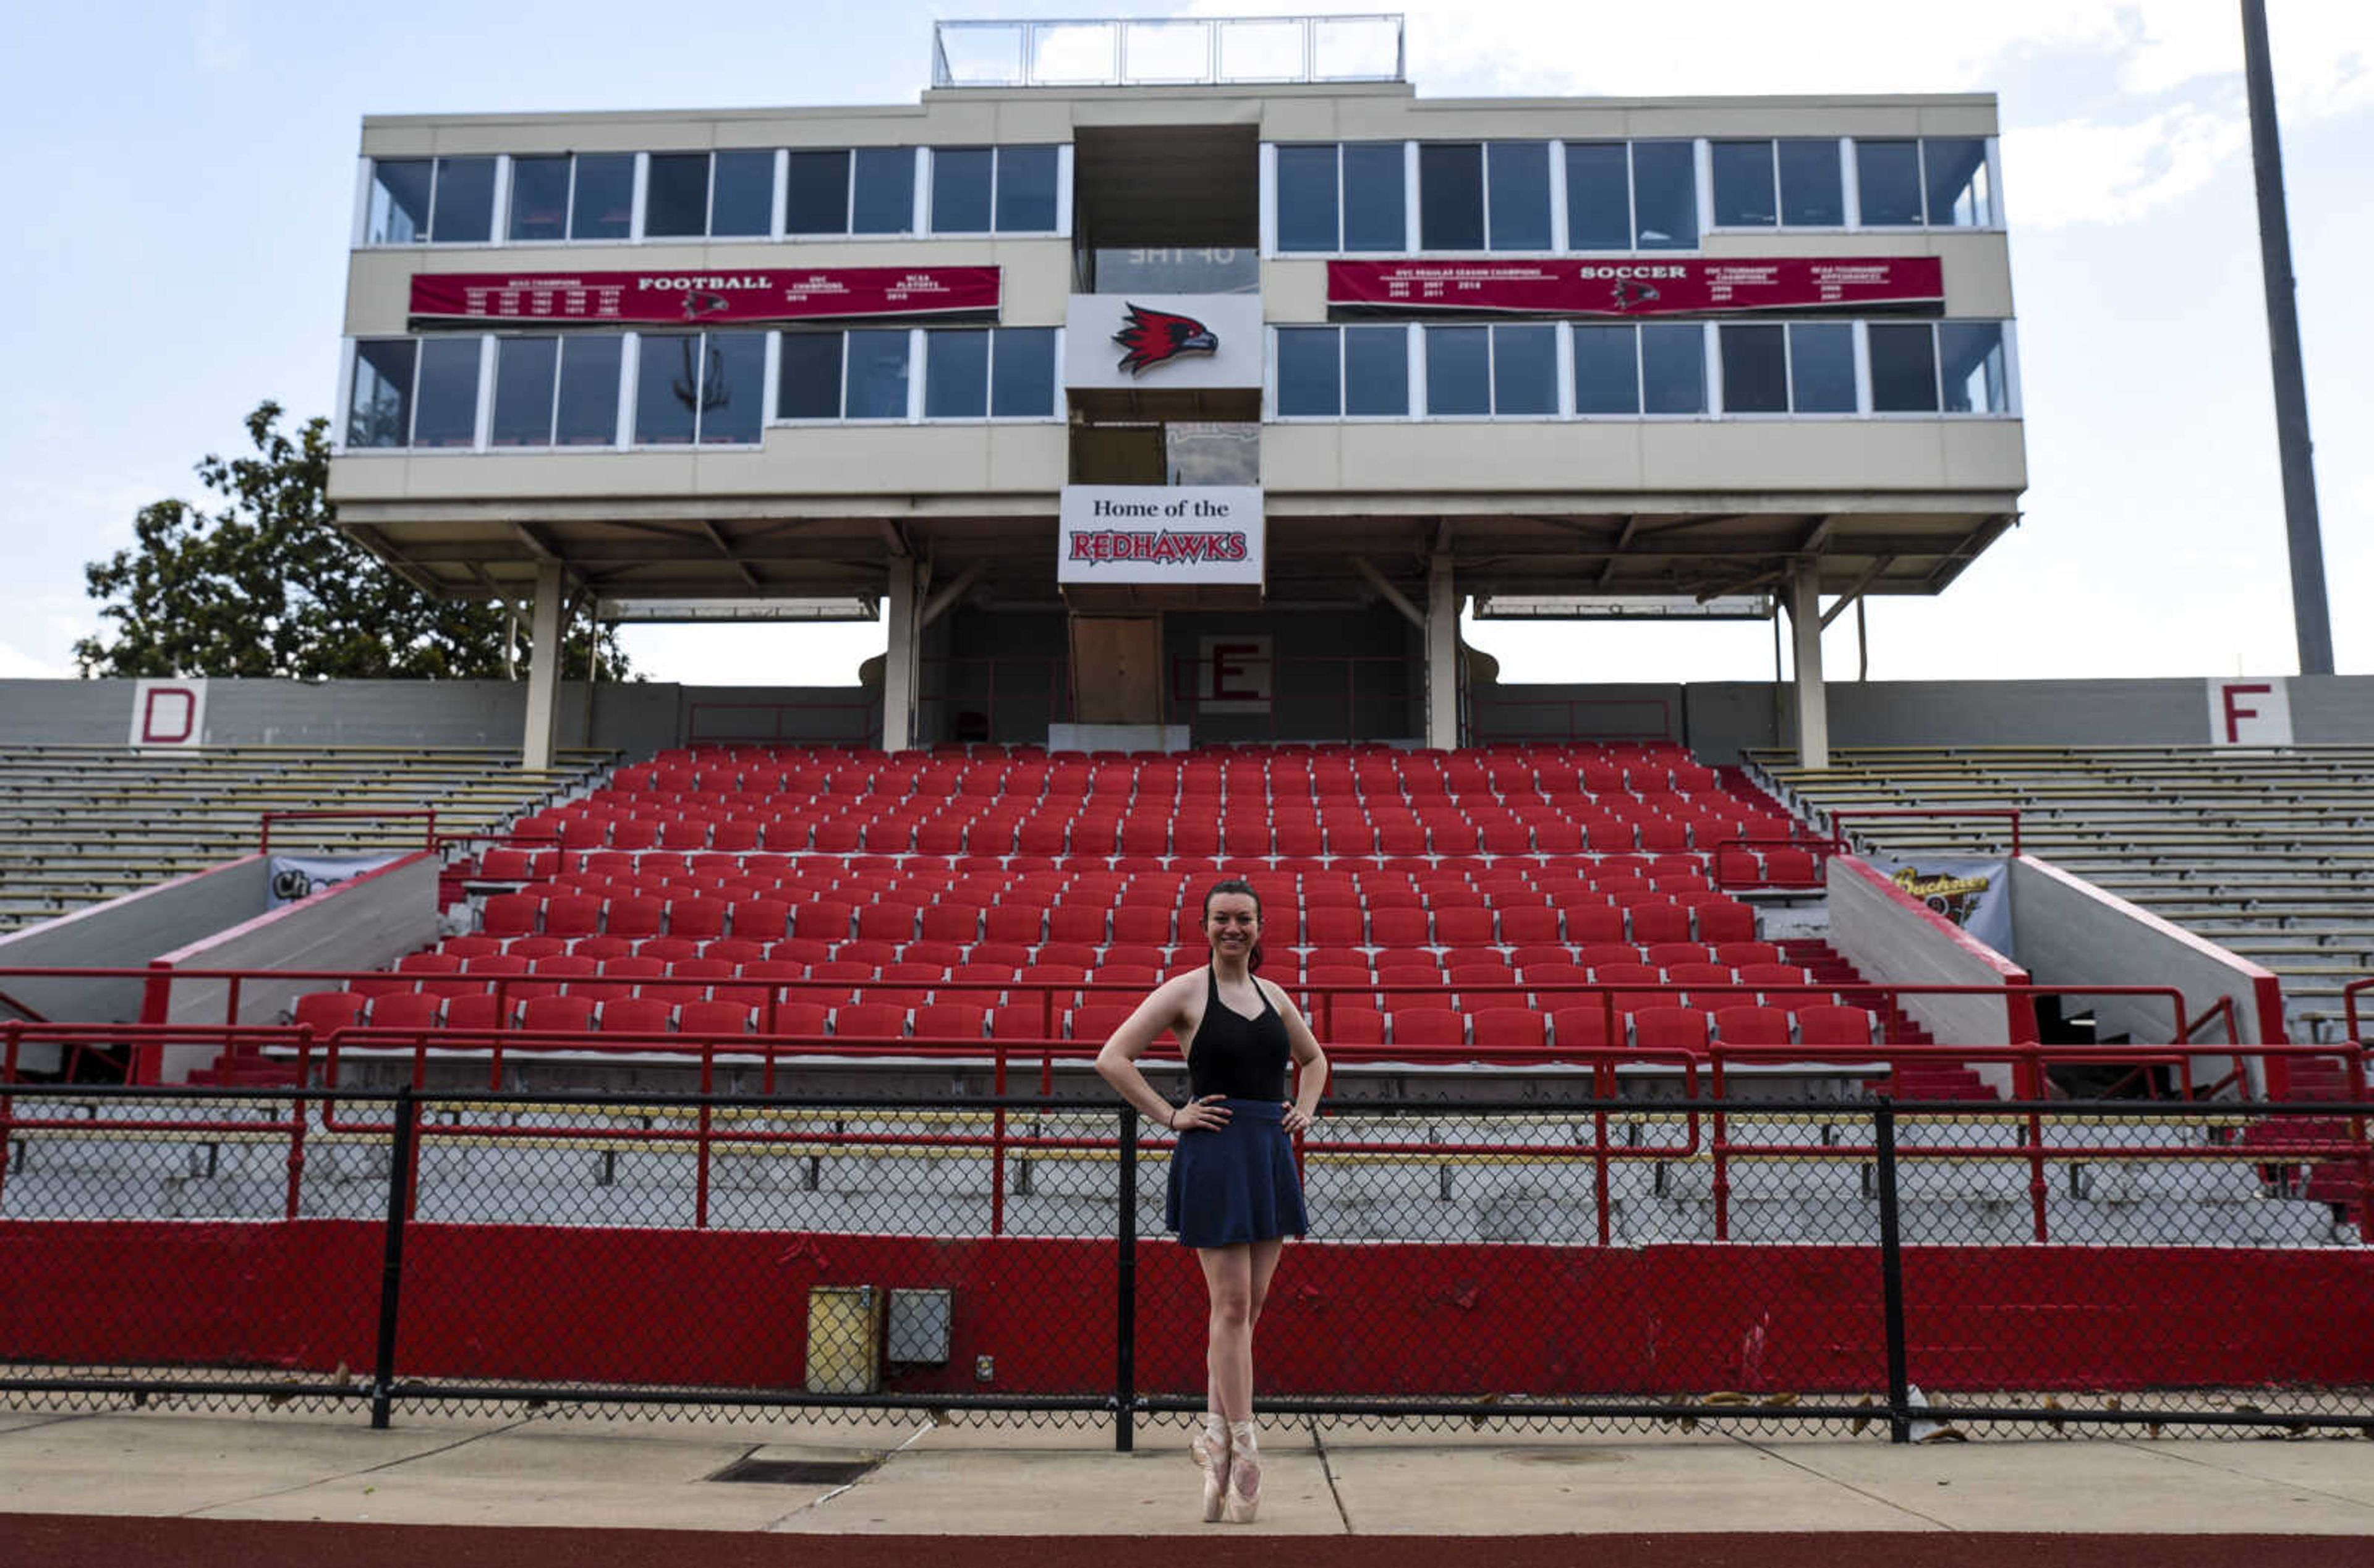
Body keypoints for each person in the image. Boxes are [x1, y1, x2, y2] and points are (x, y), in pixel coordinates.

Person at [1095, 878, 1328, 1525]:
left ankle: (1215, 1439)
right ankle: (1247, 1442)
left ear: (1259, 925)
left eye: (1245, 918)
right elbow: (1112, 1057)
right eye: (1222, 918)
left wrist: (1304, 1110)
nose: (1234, 927)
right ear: (1204, 925)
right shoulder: (1185, 991)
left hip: (1268, 1156)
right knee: (1228, 1304)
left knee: (1247, 1309)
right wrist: (1171, 1114)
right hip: (1216, 1153)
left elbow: (1315, 1060)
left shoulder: (1274, 994)